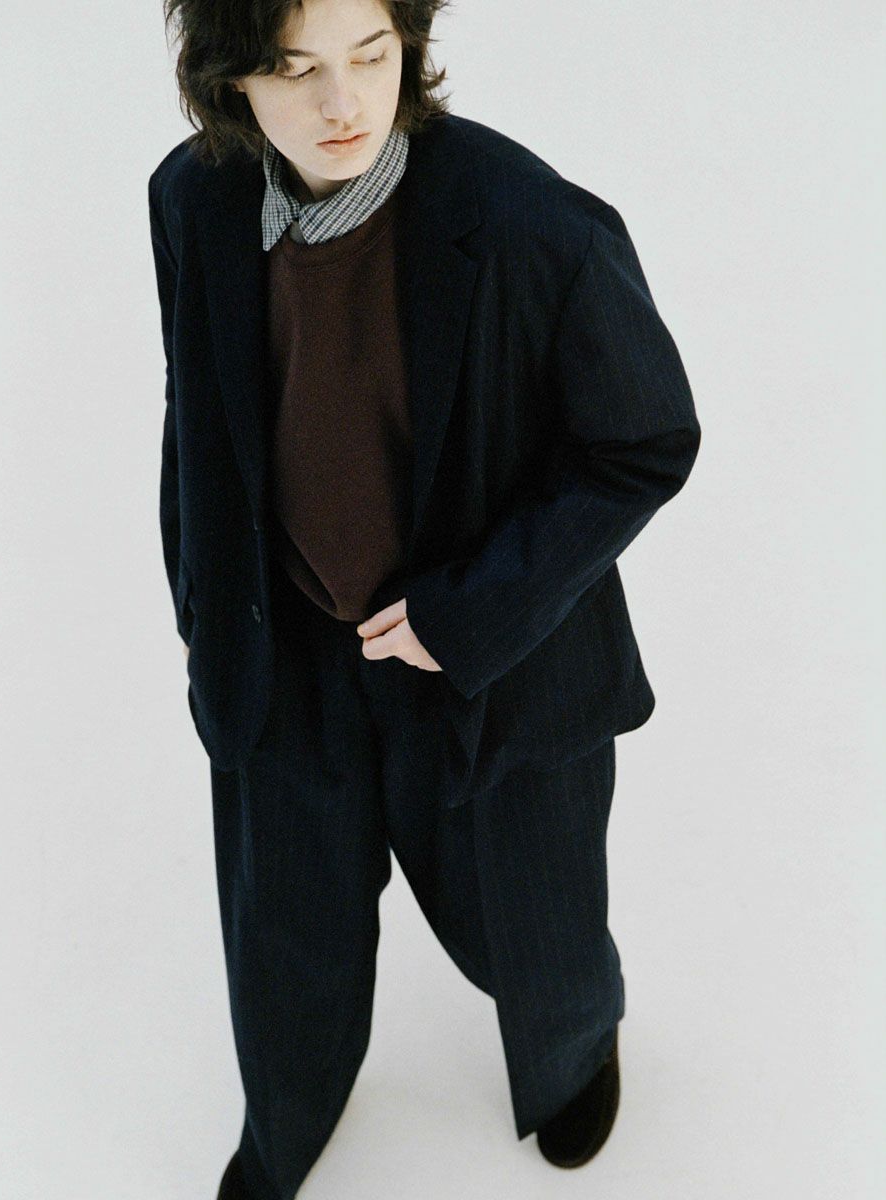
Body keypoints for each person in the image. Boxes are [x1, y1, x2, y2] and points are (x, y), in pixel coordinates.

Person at [148, 1, 701, 1196]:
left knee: (534, 924)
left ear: (409, 43)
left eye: (371, 56)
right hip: (288, 653)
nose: (342, 104)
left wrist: (471, 613)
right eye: (295, 69)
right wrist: (206, 608)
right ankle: (285, 1125)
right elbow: (196, 408)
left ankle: (573, 1058)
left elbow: (644, 440)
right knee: (285, 936)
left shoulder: (532, 224)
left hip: (491, 658)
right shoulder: (191, 200)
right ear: (232, 81)